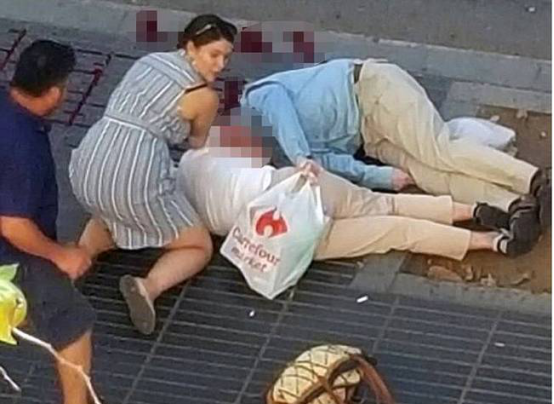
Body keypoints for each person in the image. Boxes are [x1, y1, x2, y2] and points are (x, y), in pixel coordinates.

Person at [240, 58, 550, 237]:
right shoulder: (276, 155)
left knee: (437, 149)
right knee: (427, 176)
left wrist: (299, 156)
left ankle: (536, 180)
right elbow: (326, 162)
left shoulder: (254, 99)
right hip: (369, 139)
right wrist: (382, 177)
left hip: (369, 89)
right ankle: (513, 206)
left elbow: (280, 107)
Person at [0, 40, 136, 404]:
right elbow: (14, 225)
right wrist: (61, 254)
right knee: (71, 319)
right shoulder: (23, 146)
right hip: (13, 257)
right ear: (55, 91)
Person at [69, 14, 237, 335]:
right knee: (197, 246)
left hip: (89, 161)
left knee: (107, 214)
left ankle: (75, 261)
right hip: (134, 173)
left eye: (225, 58)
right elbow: (197, 143)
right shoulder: (204, 96)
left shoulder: (149, 61)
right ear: (191, 47)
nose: (220, 66)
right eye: (213, 55)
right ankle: (148, 286)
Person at [177, 115, 539, 263]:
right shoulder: (199, 153)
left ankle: (492, 242)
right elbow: (258, 155)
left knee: (396, 232)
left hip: (288, 236)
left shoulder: (187, 217)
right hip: (296, 186)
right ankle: (472, 210)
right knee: (384, 204)